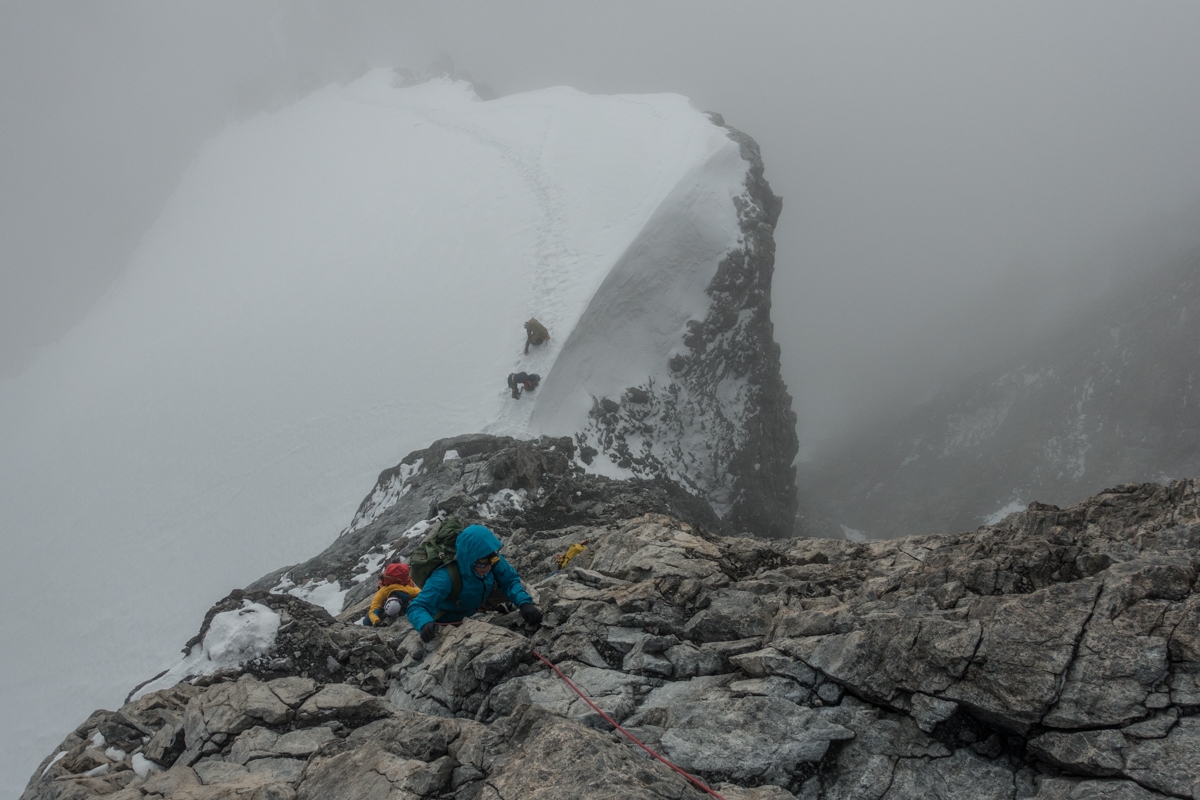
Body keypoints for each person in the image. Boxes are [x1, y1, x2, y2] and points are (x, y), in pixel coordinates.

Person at [407, 524, 542, 642]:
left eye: (493, 561)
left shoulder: (489, 557)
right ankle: (481, 607)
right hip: (451, 615)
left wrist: (524, 603)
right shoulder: (445, 578)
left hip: (478, 595)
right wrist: (425, 623)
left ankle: (484, 607)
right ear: (470, 559)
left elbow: (510, 581)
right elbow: (418, 606)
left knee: (522, 588)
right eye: (482, 564)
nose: (489, 567)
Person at [362, 562, 420, 627]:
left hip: (399, 602)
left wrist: (376, 621)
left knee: (366, 622)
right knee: (366, 622)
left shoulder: (383, 591)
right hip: (403, 601)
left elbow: (373, 609)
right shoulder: (406, 589)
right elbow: (420, 593)